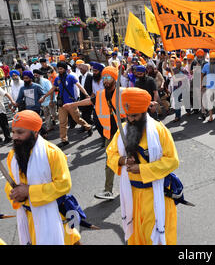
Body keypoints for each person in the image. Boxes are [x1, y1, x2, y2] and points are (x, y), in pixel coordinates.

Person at [106, 88, 180, 245]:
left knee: (153, 238)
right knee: (136, 238)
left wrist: (141, 169)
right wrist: (122, 160)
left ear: (144, 112)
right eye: (128, 116)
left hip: (154, 194)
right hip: (131, 194)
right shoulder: (121, 131)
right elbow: (110, 154)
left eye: (135, 116)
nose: (131, 120)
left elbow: (172, 161)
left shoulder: (159, 131)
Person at [3, 110, 81, 245]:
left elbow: (63, 184)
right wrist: (15, 194)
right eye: (13, 132)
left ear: (35, 132)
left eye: (20, 132)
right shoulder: (12, 156)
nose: (15, 137)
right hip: (28, 218)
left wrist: (29, 191)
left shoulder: (52, 153)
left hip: (54, 215)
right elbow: (11, 184)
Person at [64, 66, 126, 199]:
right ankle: (108, 190)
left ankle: (143, 183)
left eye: (109, 78)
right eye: (104, 78)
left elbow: (137, 100)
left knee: (134, 160)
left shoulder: (122, 92)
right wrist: (73, 105)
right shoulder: (101, 95)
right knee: (110, 162)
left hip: (126, 134)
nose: (105, 80)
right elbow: (89, 101)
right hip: (110, 135)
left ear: (115, 79)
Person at [39, 62, 92, 147]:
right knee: (62, 122)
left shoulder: (71, 77)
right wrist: (44, 97)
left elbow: (79, 86)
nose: (59, 70)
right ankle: (64, 140)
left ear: (65, 69)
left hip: (71, 104)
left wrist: (86, 95)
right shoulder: (57, 79)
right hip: (62, 104)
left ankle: (88, 127)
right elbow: (52, 89)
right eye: (58, 68)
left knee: (77, 119)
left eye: (61, 69)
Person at [33, 69, 55, 134]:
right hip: (43, 102)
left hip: (50, 101)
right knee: (46, 115)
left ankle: (63, 121)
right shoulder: (36, 83)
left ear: (39, 75)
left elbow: (51, 91)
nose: (35, 76)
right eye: (34, 75)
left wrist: (51, 100)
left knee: (54, 114)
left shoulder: (46, 81)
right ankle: (49, 127)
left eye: (36, 75)